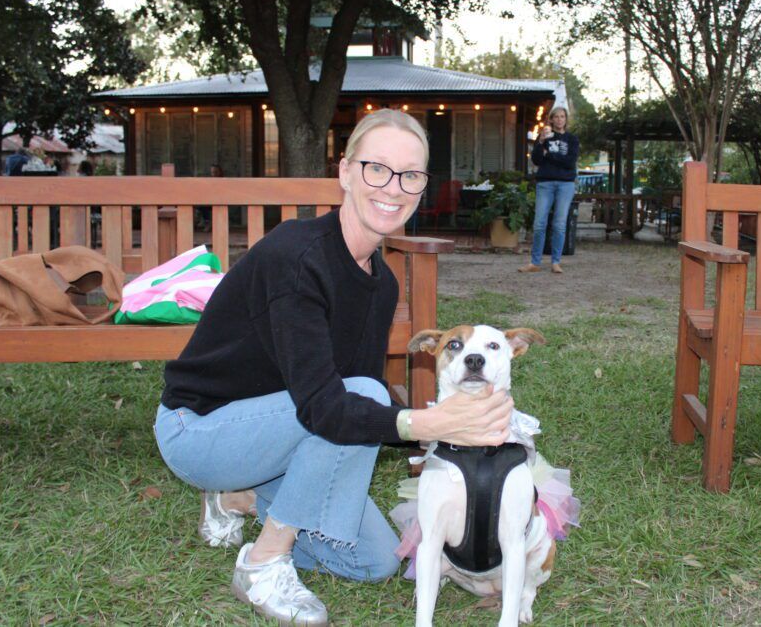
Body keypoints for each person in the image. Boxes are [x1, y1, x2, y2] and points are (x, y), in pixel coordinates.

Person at [154, 109, 513, 626]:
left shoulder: (382, 284)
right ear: (345, 171)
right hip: (202, 429)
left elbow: (349, 405)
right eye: (377, 168)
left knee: (375, 560)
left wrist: (446, 425)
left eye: (410, 174)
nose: (393, 187)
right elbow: (333, 406)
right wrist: (425, 423)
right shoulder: (296, 256)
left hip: (288, 432)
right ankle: (263, 562)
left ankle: (238, 500)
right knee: (360, 397)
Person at [519, 106, 580, 274]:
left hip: (565, 185)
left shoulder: (572, 139)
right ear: (551, 119)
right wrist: (540, 143)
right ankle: (535, 262)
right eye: (556, 117)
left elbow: (570, 162)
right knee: (539, 224)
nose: (560, 119)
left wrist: (549, 155)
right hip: (545, 184)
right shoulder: (544, 137)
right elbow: (536, 160)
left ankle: (556, 262)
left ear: (566, 119)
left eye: (562, 116)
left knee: (559, 224)